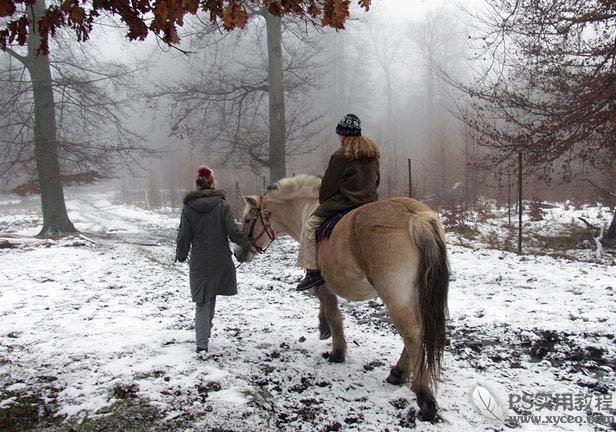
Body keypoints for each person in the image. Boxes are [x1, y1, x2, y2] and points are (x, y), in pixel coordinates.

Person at [296, 114, 381, 291]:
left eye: (339, 134)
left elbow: (327, 188)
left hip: (344, 204)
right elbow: (377, 181)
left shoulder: (341, 155)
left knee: (310, 226)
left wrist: (326, 203)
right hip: (369, 203)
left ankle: (312, 272)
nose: (338, 137)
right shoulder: (372, 154)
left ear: (344, 135)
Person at [176, 166, 253, 356]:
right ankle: (205, 333)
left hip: (200, 261)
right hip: (220, 259)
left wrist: (181, 254)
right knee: (211, 295)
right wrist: (248, 244)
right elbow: (233, 232)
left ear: (197, 184)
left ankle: (202, 343)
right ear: (212, 183)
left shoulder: (188, 208)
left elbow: (184, 236)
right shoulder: (222, 205)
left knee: (203, 298)